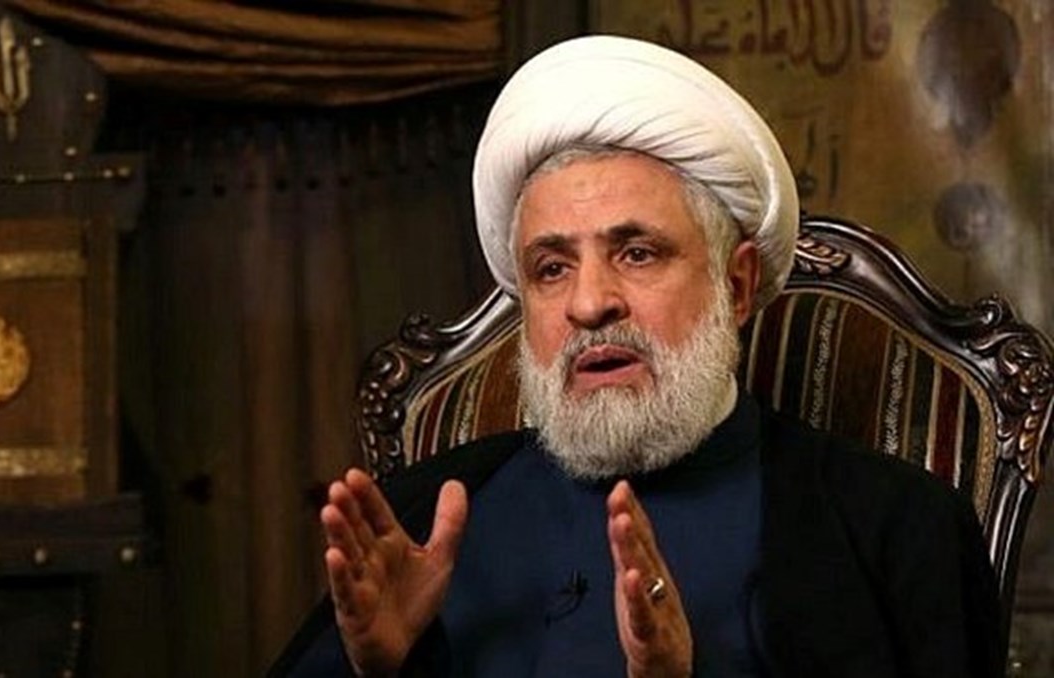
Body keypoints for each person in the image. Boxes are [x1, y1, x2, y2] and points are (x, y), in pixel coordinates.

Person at [271, 35, 1003, 677]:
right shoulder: (424, 515)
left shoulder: (897, 530)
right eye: (551, 268)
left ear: (736, 285)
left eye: (637, 253)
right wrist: (382, 671)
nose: (589, 303)